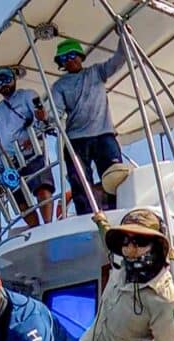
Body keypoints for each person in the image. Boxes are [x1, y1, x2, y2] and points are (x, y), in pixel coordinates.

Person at [83, 209, 174, 341]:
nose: (130, 249)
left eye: (139, 242)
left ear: (156, 247)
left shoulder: (167, 301)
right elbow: (108, 240)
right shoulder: (121, 263)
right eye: (125, 241)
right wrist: (101, 222)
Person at [50, 35, 126, 216]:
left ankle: (120, 211)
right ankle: (87, 216)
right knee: (80, 182)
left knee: (115, 175)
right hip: (76, 139)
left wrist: (123, 37)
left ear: (80, 56)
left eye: (72, 56)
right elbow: (57, 111)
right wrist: (52, 119)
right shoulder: (59, 86)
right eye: (64, 58)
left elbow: (118, 60)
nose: (69, 61)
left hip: (104, 134)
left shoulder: (96, 72)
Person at [0, 67, 56, 226]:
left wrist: (34, 137)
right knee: (19, 200)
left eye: (7, 79)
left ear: (14, 79)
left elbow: (42, 120)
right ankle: (35, 229)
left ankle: (48, 225)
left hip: (32, 153)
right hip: (10, 162)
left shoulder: (27, 95)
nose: (3, 84)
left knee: (42, 187)